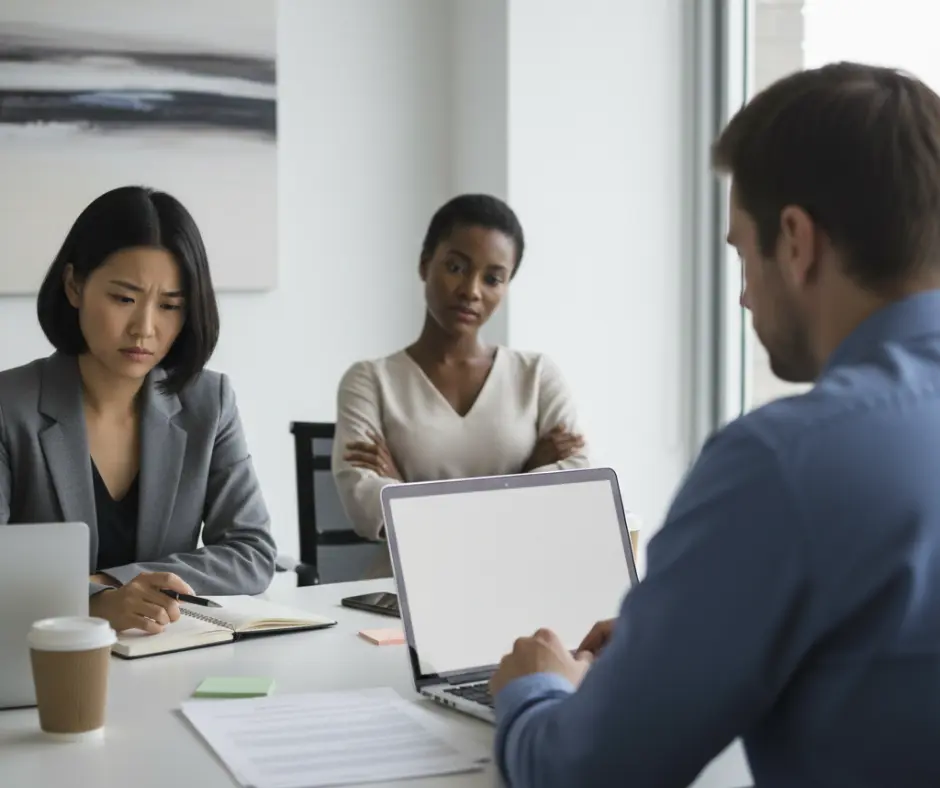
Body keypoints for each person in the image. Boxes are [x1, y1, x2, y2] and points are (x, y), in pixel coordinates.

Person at [489, 62, 940, 788]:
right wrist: (664, 646)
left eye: (741, 252)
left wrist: (532, 688)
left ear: (796, 241)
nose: (742, 296)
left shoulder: (786, 462)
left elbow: (580, 775)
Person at [0, 186, 276, 634]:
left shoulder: (210, 401)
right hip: (37, 665)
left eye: (170, 306)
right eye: (124, 298)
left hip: (167, 655)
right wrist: (91, 604)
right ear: (74, 286)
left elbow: (252, 553)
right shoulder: (9, 407)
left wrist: (112, 583)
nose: (145, 328)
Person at [332, 194, 588, 568]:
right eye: (455, 267)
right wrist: (526, 475)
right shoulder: (369, 381)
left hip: (520, 574)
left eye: (492, 278)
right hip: (404, 587)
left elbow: (578, 479)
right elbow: (364, 500)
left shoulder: (536, 375)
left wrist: (408, 494)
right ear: (424, 264)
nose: (471, 290)